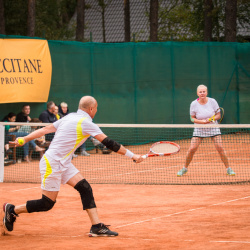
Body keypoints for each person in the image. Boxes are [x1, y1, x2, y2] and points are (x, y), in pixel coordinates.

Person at [4, 96, 143, 237]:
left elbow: (46, 129)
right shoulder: (86, 123)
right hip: (52, 163)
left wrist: (25, 138)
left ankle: (96, 226)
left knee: (85, 188)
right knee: (47, 203)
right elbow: (109, 143)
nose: (95, 111)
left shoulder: (69, 117)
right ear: (91, 109)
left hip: (63, 163)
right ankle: (13, 210)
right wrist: (133, 156)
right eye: (96, 108)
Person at [177, 85, 235, 177]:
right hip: (199, 129)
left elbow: (218, 115)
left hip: (213, 128)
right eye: (200, 92)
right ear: (197, 93)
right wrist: (201, 122)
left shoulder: (212, 101)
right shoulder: (193, 104)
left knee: (220, 147)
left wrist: (211, 119)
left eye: (204, 91)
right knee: (192, 149)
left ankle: (229, 169)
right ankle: (184, 168)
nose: (202, 93)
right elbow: (192, 119)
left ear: (206, 92)